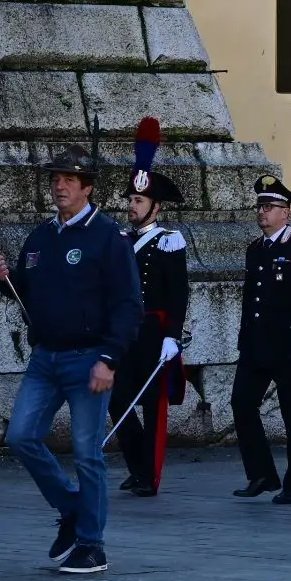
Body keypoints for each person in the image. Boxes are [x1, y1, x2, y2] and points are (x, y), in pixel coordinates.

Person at [0, 145, 141, 575]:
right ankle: (71, 506)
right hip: (46, 357)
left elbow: (128, 304)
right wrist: (5, 280)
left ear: (87, 188)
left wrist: (109, 358)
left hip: (89, 356)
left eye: (69, 180)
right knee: (21, 436)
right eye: (56, 179)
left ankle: (92, 544)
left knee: (86, 452)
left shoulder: (108, 237)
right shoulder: (41, 235)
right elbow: (27, 292)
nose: (60, 186)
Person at [112, 118, 189, 498]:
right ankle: (138, 464)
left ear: (155, 207)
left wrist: (172, 336)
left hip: (155, 334)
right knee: (117, 401)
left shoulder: (169, 241)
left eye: (139, 201)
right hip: (125, 332)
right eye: (130, 200)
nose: (132, 206)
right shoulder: (120, 239)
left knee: (153, 407)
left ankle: (149, 475)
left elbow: (178, 293)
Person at [229, 176, 291, 501]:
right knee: (242, 403)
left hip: (288, 345)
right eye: (260, 207)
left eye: (269, 207)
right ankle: (262, 474)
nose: (262, 212)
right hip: (257, 345)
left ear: (285, 213)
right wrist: (245, 338)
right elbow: (251, 298)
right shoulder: (256, 248)